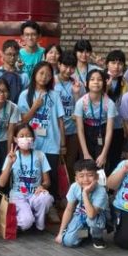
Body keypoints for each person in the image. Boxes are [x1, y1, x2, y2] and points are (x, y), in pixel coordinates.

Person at [16, 61, 65, 202]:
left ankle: (51, 204)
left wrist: (63, 144)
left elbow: (60, 120)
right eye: (41, 73)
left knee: (52, 175)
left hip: (52, 142)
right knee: (34, 173)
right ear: (34, 74)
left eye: (48, 75)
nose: (44, 77)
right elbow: (22, 120)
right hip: (32, 143)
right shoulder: (25, 95)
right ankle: (31, 201)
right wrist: (35, 107)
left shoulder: (55, 95)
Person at [0, 126, 53, 232]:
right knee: (26, 222)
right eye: (21, 136)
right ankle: (26, 219)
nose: (25, 138)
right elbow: (1, 183)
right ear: (15, 139)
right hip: (18, 195)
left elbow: (47, 181)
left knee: (47, 198)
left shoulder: (40, 155)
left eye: (28, 135)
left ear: (33, 138)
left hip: (34, 194)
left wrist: (42, 186)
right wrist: (10, 163)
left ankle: (37, 223)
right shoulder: (11, 156)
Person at [55, 159, 109, 248]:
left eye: (90, 175)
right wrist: (60, 233)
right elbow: (69, 209)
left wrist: (85, 193)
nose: (85, 179)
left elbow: (91, 214)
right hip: (80, 215)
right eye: (81, 176)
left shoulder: (101, 191)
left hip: (97, 217)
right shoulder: (74, 187)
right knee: (69, 241)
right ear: (76, 178)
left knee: (92, 220)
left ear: (97, 176)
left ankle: (97, 237)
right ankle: (86, 234)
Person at [74, 69, 115, 170]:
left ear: (104, 83)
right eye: (92, 79)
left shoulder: (109, 103)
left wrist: (104, 154)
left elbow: (109, 130)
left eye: (99, 79)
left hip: (103, 132)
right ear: (86, 83)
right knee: (87, 167)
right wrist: (85, 153)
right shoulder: (81, 102)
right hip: (86, 133)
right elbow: (80, 129)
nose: (96, 82)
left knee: (102, 166)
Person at [54, 52, 83, 184]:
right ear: (59, 64)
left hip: (73, 130)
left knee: (70, 163)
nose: (68, 70)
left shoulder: (77, 83)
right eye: (65, 66)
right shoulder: (52, 82)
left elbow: (81, 105)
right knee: (56, 162)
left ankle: (69, 190)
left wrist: (76, 93)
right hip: (55, 130)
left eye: (72, 67)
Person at [105, 49, 128, 165]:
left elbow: (126, 106)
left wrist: (126, 128)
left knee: (115, 158)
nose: (116, 66)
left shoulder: (125, 83)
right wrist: (106, 89)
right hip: (102, 126)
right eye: (113, 63)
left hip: (118, 126)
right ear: (107, 64)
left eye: (120, 63)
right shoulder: (100, 79)